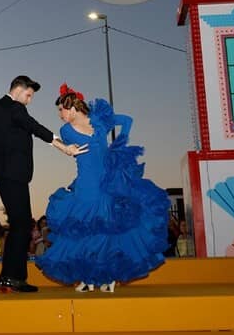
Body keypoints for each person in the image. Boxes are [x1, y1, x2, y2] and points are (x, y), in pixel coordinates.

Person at [37, 84, 170, 293]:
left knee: (107, 232)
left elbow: (127, 120)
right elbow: (66, 147)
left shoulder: (99, 122)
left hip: (107, 184)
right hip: (86, 185)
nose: (59, 115)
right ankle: (89, 276)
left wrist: (119, 145)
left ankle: (107, 277)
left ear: (70, 106)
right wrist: (66, 149)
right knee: (85, 231)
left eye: (60, 110)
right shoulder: (66, 131)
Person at [0, 75, 86, 294]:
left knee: (20, 223)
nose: (29, 100)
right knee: (22, 225)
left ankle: (9, 277)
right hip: (14, 174)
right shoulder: (16, 108)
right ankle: (12, 277)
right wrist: (63, 147)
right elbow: (34, 127)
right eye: (29, 95)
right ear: (18, 89)